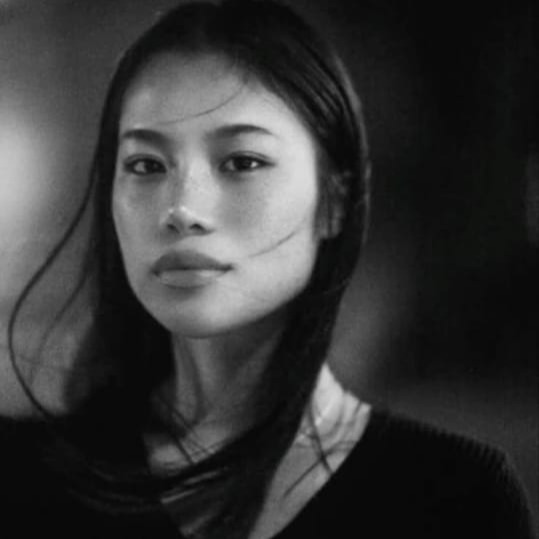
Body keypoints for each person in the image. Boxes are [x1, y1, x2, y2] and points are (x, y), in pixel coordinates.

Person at [0, 1, 535, 538]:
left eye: (242, 162)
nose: (181, 208)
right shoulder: (23, 478)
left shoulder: (458, 498)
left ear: (334, 199)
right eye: (146, 165)